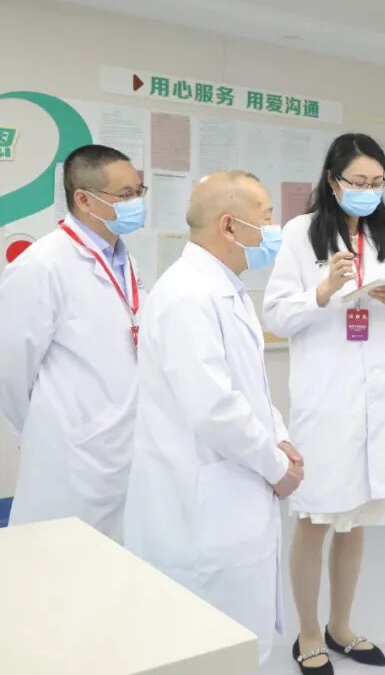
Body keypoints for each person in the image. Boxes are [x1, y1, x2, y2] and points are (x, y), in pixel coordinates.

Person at [123, 171, 304, 666]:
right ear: (229, 226)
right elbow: (214, 407)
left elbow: (252, 388)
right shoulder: (188, 295)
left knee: (233, 642)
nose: (274, 228)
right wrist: (276, 466)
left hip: (235, 487)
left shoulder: (225, 289)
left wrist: (280, 440)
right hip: (199, 511)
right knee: (207, 647)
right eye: (267, 216)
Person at [264, 133, 385, 673]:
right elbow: (277, 316)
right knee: (316, 518)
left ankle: (341, 626)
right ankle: (308, 634)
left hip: (375, 394)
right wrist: (323, 290)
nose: (369, 191)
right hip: (325, 399)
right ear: (333, 180)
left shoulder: (384, 234)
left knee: (357, 519)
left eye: (377, 182)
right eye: (358, 181)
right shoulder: (301, 233)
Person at [0, 144, 145, 541]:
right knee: (59, 562)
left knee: (121, 564)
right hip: (68, 453)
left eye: (139, 191)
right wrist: (43, 429)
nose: (137, 202)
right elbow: (10, 370)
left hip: (122, 445)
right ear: (84, 199)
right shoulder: (42, 265)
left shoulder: (125, 260)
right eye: (126, 194)